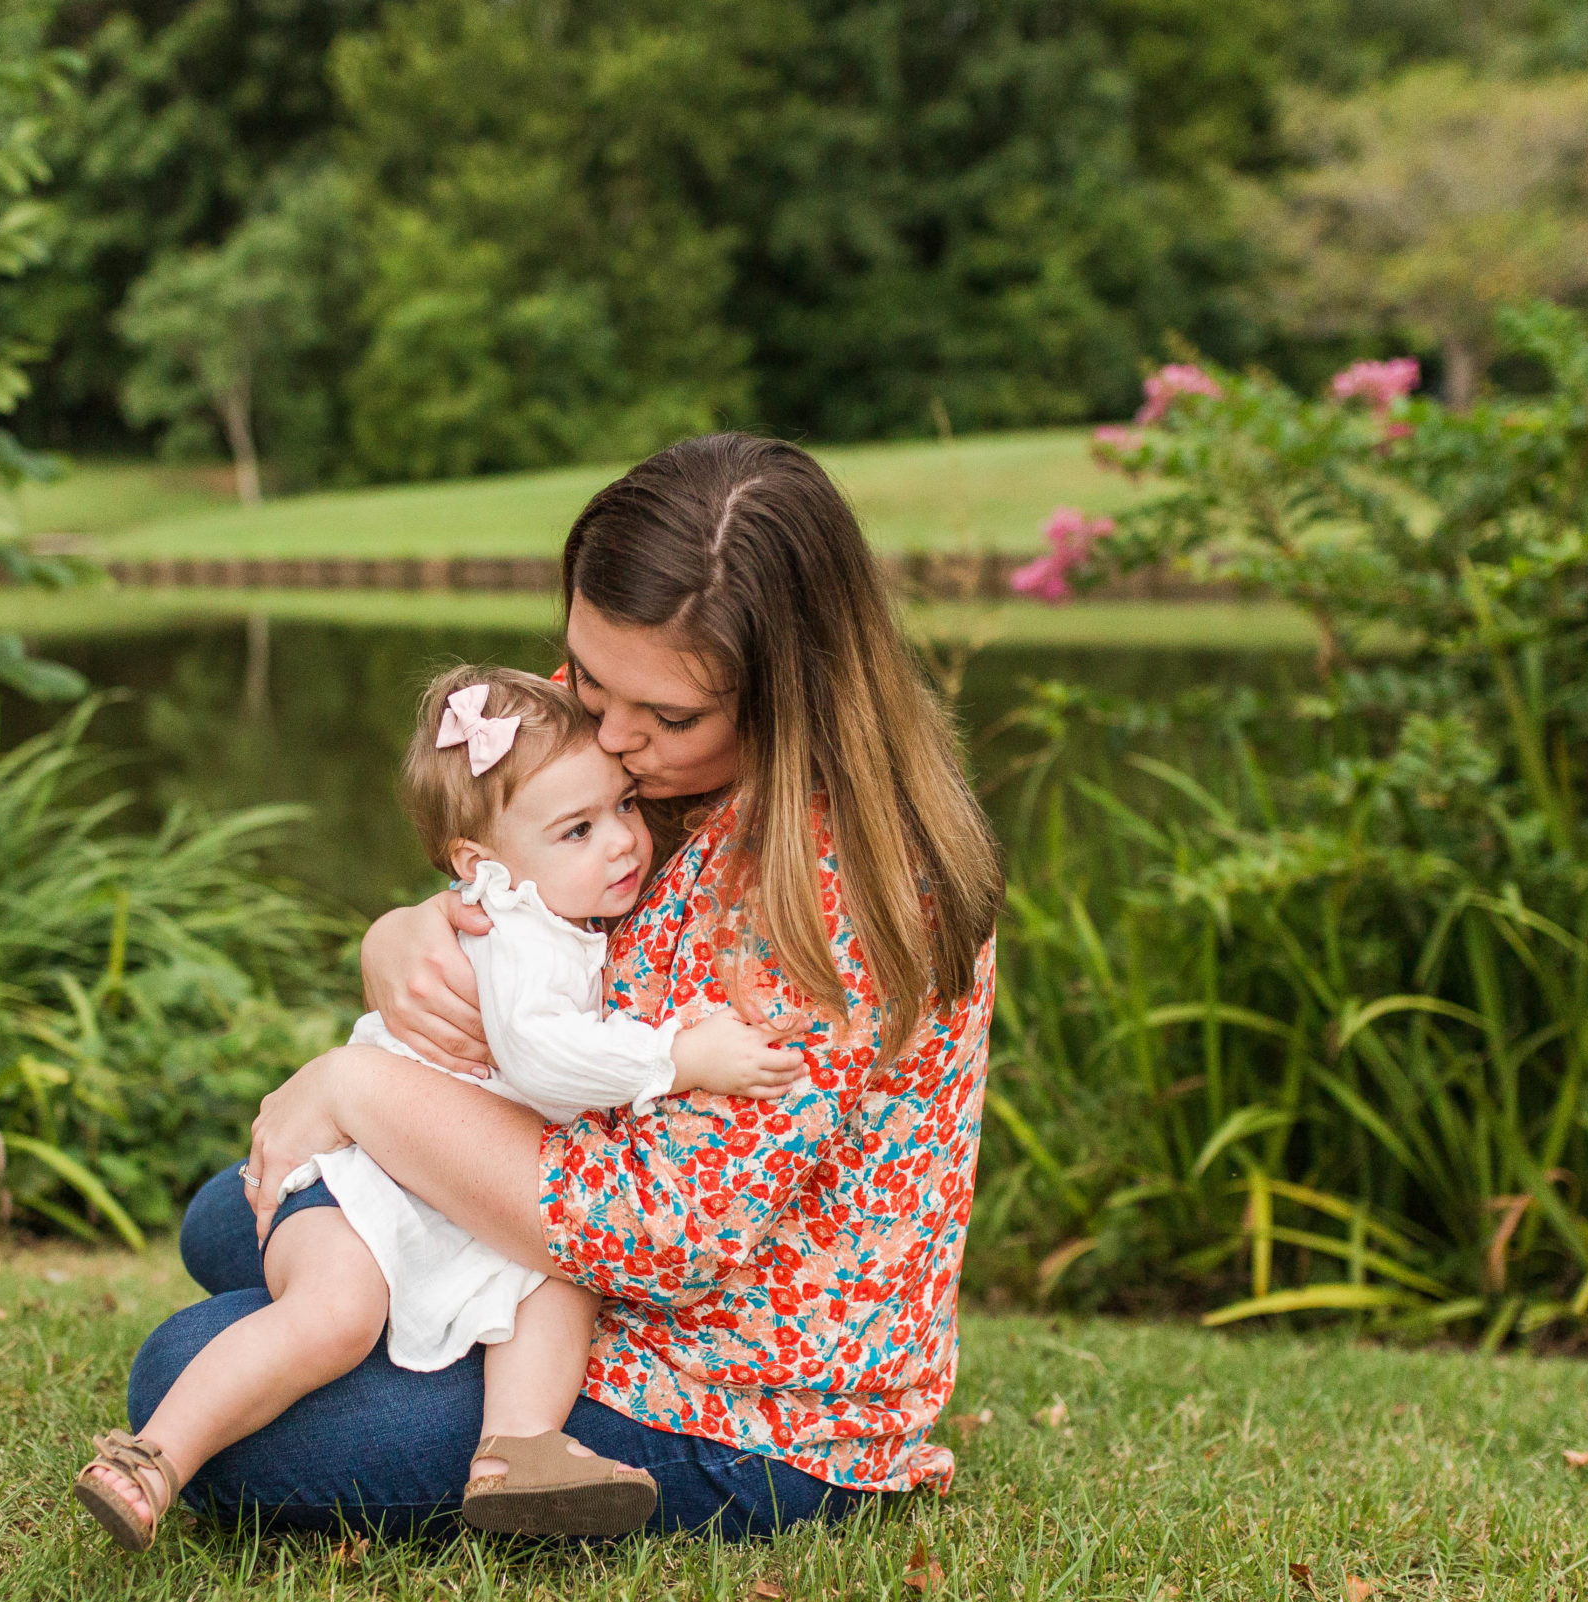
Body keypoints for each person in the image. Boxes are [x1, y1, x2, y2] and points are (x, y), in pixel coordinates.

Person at [111, 431, 1003, 1539]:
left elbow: (662, 1237)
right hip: (588, 1250)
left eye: (668, 718)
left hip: (726, 1390)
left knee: (186, 1366)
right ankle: (369, 1324)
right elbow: (515, 880)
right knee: (230, 1212)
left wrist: (356, 1086)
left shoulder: (828, 890)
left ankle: (494, 1421)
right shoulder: (664, 766)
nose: (614, 740)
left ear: (794, 695)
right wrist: (407, 929)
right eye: (588, 675)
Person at [72, 665, 806, 1549]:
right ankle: (155, 1458)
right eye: (580, 828)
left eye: (623, 808)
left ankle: (518, 1451)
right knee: (333, 1312)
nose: (622, 842)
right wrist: (677, 1056)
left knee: (557, 1283)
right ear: (484, 867)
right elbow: (542, 1057)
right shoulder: (524, 931)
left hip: (461, 1184)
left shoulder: (556, 895)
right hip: (377, 1172)